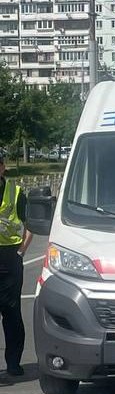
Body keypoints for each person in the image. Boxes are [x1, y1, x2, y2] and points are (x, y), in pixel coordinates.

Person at [0, 153, 31, 378]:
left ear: (2, 167)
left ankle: (13, 363)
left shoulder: (16, 191)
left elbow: (31, 224)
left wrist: (21, 251)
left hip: (10, 257)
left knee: (11, 312)